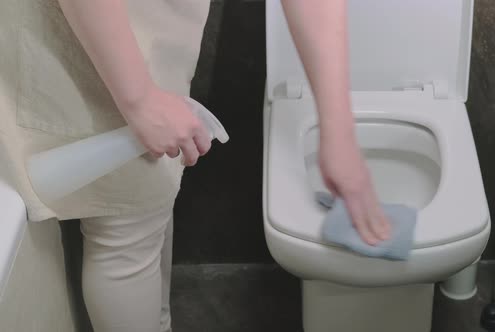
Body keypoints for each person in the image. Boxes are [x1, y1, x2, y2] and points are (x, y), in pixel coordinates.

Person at [0, 0, 390, 331]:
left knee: (147, 204)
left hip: (146, 28)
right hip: (92, 31)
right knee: (124, 230)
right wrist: (139, 100)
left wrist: (339, 132)